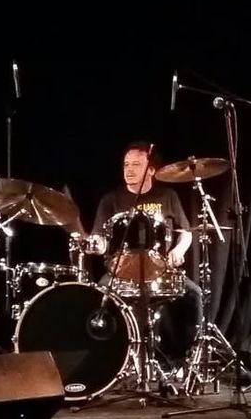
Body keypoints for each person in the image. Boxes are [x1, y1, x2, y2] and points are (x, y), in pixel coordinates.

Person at [87, 141, 204, 356]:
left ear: (151, 170)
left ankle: (183, 356)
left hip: (161, 270)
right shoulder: (110, 200)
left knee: (193, 293)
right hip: (120, 272)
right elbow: (100, 240)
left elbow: (186, 232)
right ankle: (113, 357)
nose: (129, 170)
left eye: (136, 164)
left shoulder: (168, 196)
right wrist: (96, 245)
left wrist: (178, 250)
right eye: (126, 164)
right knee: (97, 297)